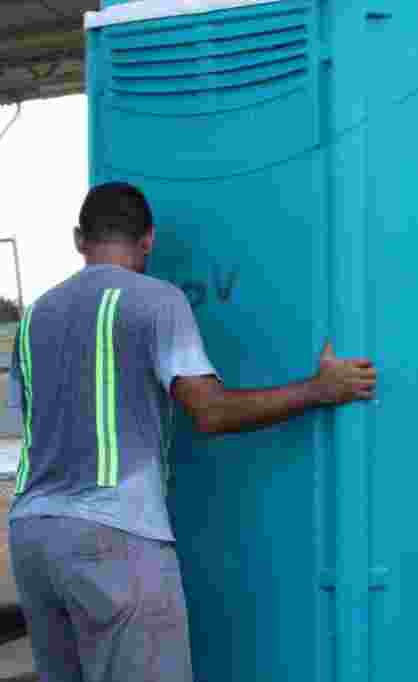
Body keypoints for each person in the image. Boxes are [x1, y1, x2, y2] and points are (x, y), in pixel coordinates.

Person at [5, 182, 377, 682]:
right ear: (149, 240)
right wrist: (320, 389)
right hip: (113, 535)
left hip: (33, 535)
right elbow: (211, 412)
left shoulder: (33, 318)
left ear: (79, 239)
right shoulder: (155, 301)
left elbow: (32, 421)